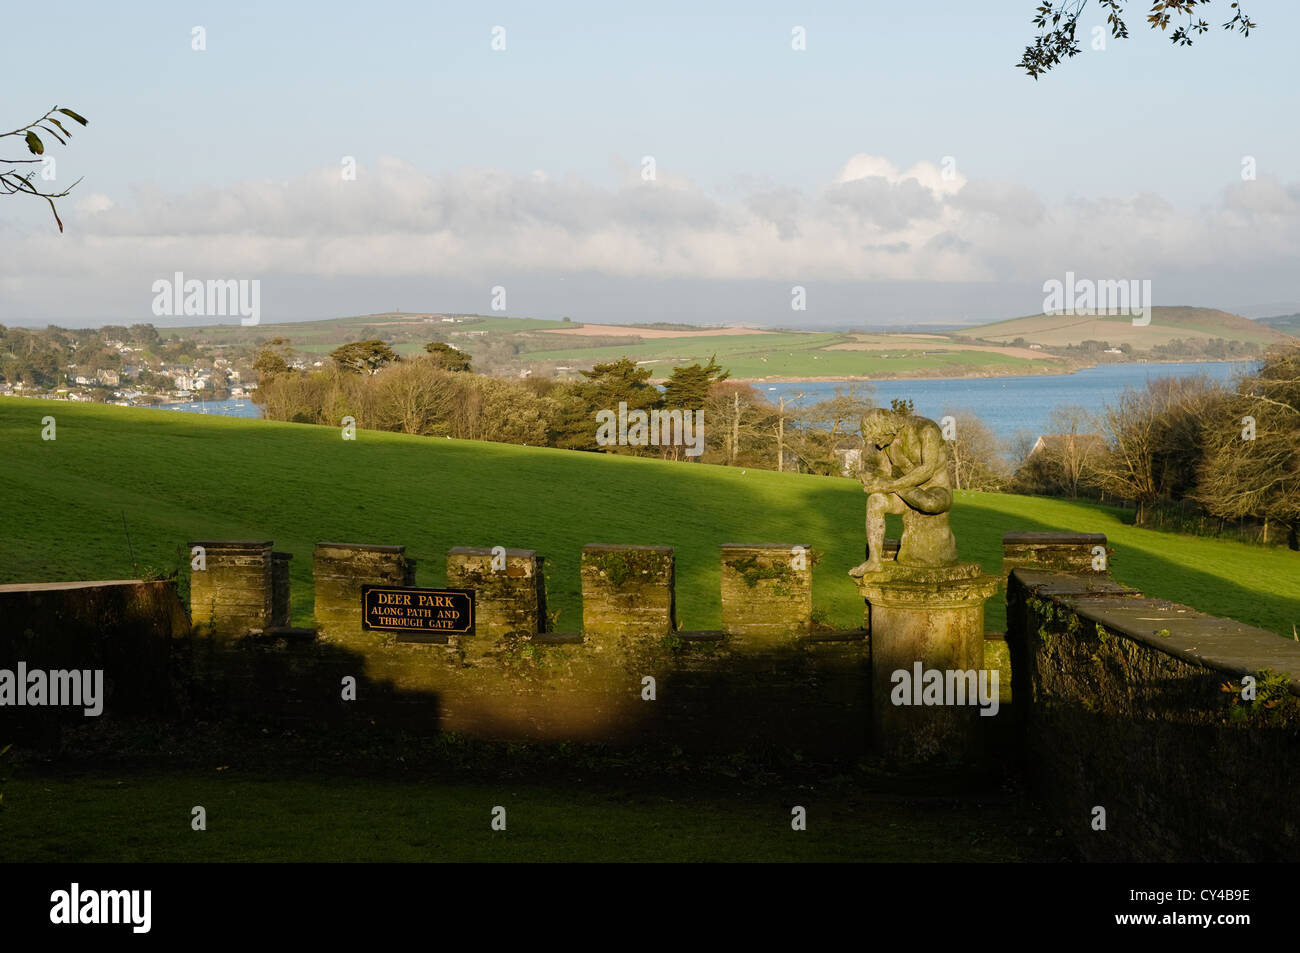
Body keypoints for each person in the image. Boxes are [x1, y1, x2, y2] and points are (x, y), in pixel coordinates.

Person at [849, 408, 957, 576]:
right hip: (905, 494)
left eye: (878, 438)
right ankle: (874, 561)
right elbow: (885, 472)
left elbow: (927, 470)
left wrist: (889, 485)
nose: (878, 444)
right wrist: (870, 476)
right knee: (875, 501)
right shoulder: (885, 443)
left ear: (889, 428)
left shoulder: (926, 430)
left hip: (936, 489)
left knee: (929, 503)